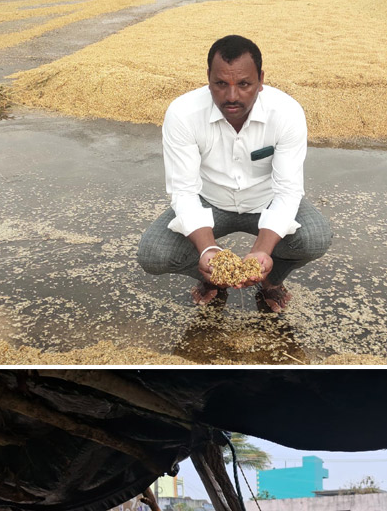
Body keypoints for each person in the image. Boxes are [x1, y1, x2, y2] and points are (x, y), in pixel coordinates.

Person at [137, 35, 332, 312]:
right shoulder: (183, 113)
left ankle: (271, 281)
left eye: (244, 84)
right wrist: (207, 251)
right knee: (153, 255)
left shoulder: (286, 113)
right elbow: (184, 190)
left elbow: (288, 191)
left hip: (265, 201)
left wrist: (262, 251)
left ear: (261, 79)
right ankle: (213, 280)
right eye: (220, 84)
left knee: (315, 237)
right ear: (208, 77)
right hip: (209, 201)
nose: (231, 96)